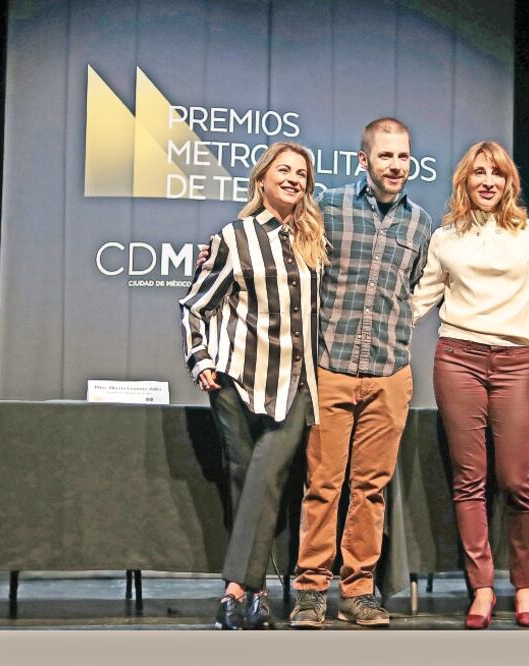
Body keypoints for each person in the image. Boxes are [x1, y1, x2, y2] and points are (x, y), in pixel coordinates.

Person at [289, 118, 434, 628]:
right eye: (386, 156)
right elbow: (278, 242)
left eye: (403, 157)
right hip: (329, 367)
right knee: (323, 484)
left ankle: (358, 591)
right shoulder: (328, 205)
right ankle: (310, 592)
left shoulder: (420, 223)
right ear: (363, 160)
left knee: (370, 489)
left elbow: (415, 290)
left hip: (389, 373)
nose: (396, 166)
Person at [411, 141, 529, 629]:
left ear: (508, 182)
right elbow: (421, 300)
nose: (488, 182)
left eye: (496, 174)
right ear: (466, 181)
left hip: (517, 363)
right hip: (459, 359)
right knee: (468, 481)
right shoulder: (446, 237)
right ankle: (481, 588)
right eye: (479, 173)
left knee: (517, 481)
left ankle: (523, 586)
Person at [180, 142, 327, 630]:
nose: (293, 179)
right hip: (235, 380)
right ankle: (259, 593)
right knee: (246, 481)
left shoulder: (315, 237)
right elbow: (195, 305)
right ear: (262, 180)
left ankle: (234, 589)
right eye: (283, 170)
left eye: (301, 173)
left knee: (264, 476)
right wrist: (199, 357)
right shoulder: (234, 236)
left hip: (296, 384)